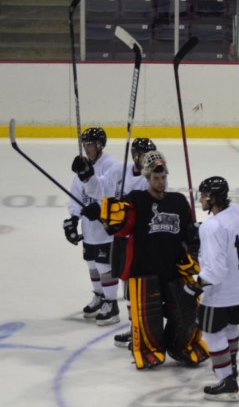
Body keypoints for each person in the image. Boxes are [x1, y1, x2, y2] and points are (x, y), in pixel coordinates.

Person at [84, 151, 208, 369]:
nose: (161, 182)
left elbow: (189, 234)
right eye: (156, 178)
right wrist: (110, 218)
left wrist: (196, 242)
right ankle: (150, 350)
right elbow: (120, 230)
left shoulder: (178, 201)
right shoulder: (136, 200)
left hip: (174, 269)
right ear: (148, 178)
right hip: (144, 271)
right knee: (149, 318)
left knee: (187, 311)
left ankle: (181, 346)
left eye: (163, 177)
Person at [193, 176, 239, 402]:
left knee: (212, 333)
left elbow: (214, 272)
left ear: (213, 198)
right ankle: (232, 365)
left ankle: (226, 378)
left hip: (219, 294)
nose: (200, 199)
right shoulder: (237, 210)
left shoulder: (212, 226)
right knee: (230, 327)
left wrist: (195, 286)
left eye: (203, 195)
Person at [67, 127, 122, 326]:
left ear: (100, 144)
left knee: (103, 265)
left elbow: (108, 191)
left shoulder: (112, 166)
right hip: (89, 228)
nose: (86, 148)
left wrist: (99, 207)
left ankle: (112, 303)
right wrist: (73, 220)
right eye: (84, 144)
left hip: (105, 228)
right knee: (91, 263)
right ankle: (99, 296)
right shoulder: (84, 165)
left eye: (89, 144)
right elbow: (75, 196)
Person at [112, 137, 160, 349]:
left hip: (142, 241)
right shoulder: (121, 172)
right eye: (143, 154)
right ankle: (134, 328)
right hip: (123, 238)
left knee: (140, 288)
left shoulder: (151, 177)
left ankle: (143, 330)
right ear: (134, 156)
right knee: (127, 287)